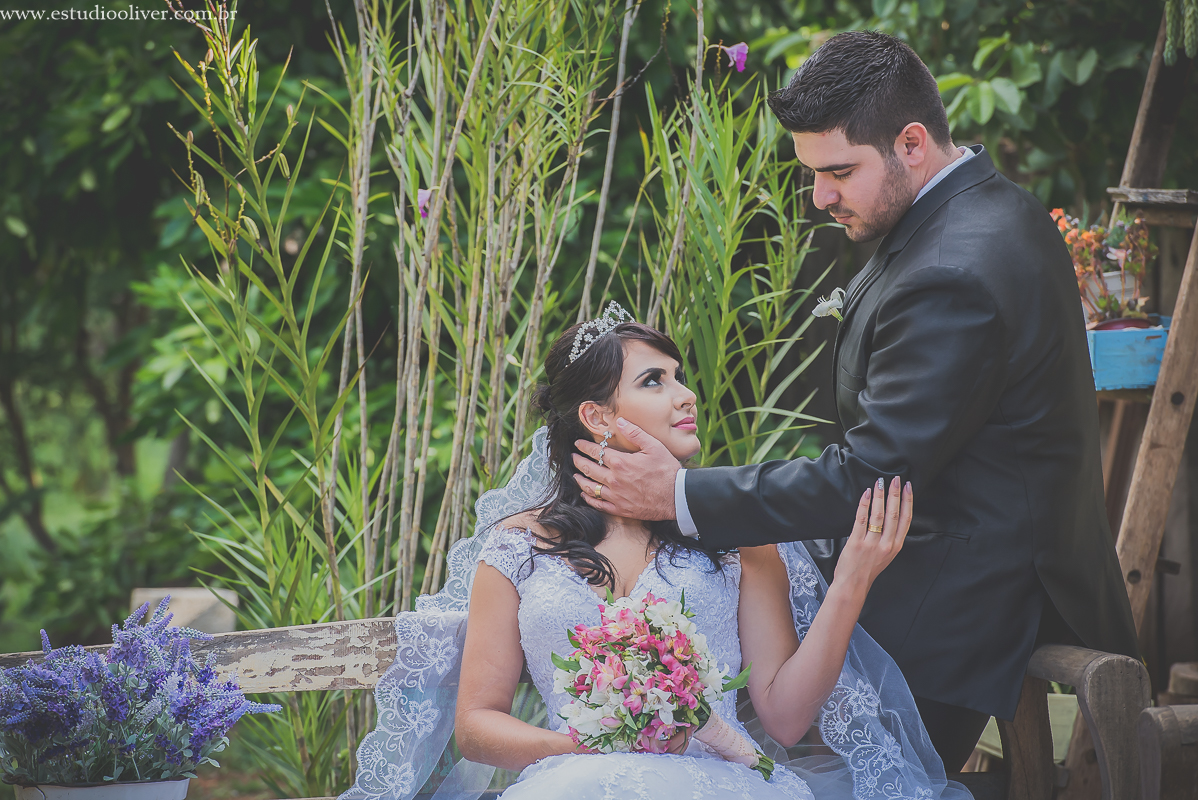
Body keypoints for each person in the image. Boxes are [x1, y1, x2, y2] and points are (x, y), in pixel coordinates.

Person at [567, 30, 1139, 773]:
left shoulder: (956, 271)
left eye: (838, 171)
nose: (819, 196)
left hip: (960, 601)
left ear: (911, 143)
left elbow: (870, 473)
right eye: (811, 173)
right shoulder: (988, 208)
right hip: (932, 553)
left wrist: (677, 494)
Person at [343, 305, 971, 800]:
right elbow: (477, 726)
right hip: (570, 780)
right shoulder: (519, 546)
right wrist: (586, 748)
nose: (686, 394)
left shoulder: (742, 539)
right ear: (596, 415)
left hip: (717, 782)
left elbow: (783, 718)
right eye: (654, 380)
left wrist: (851, 583)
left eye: (679, 376)